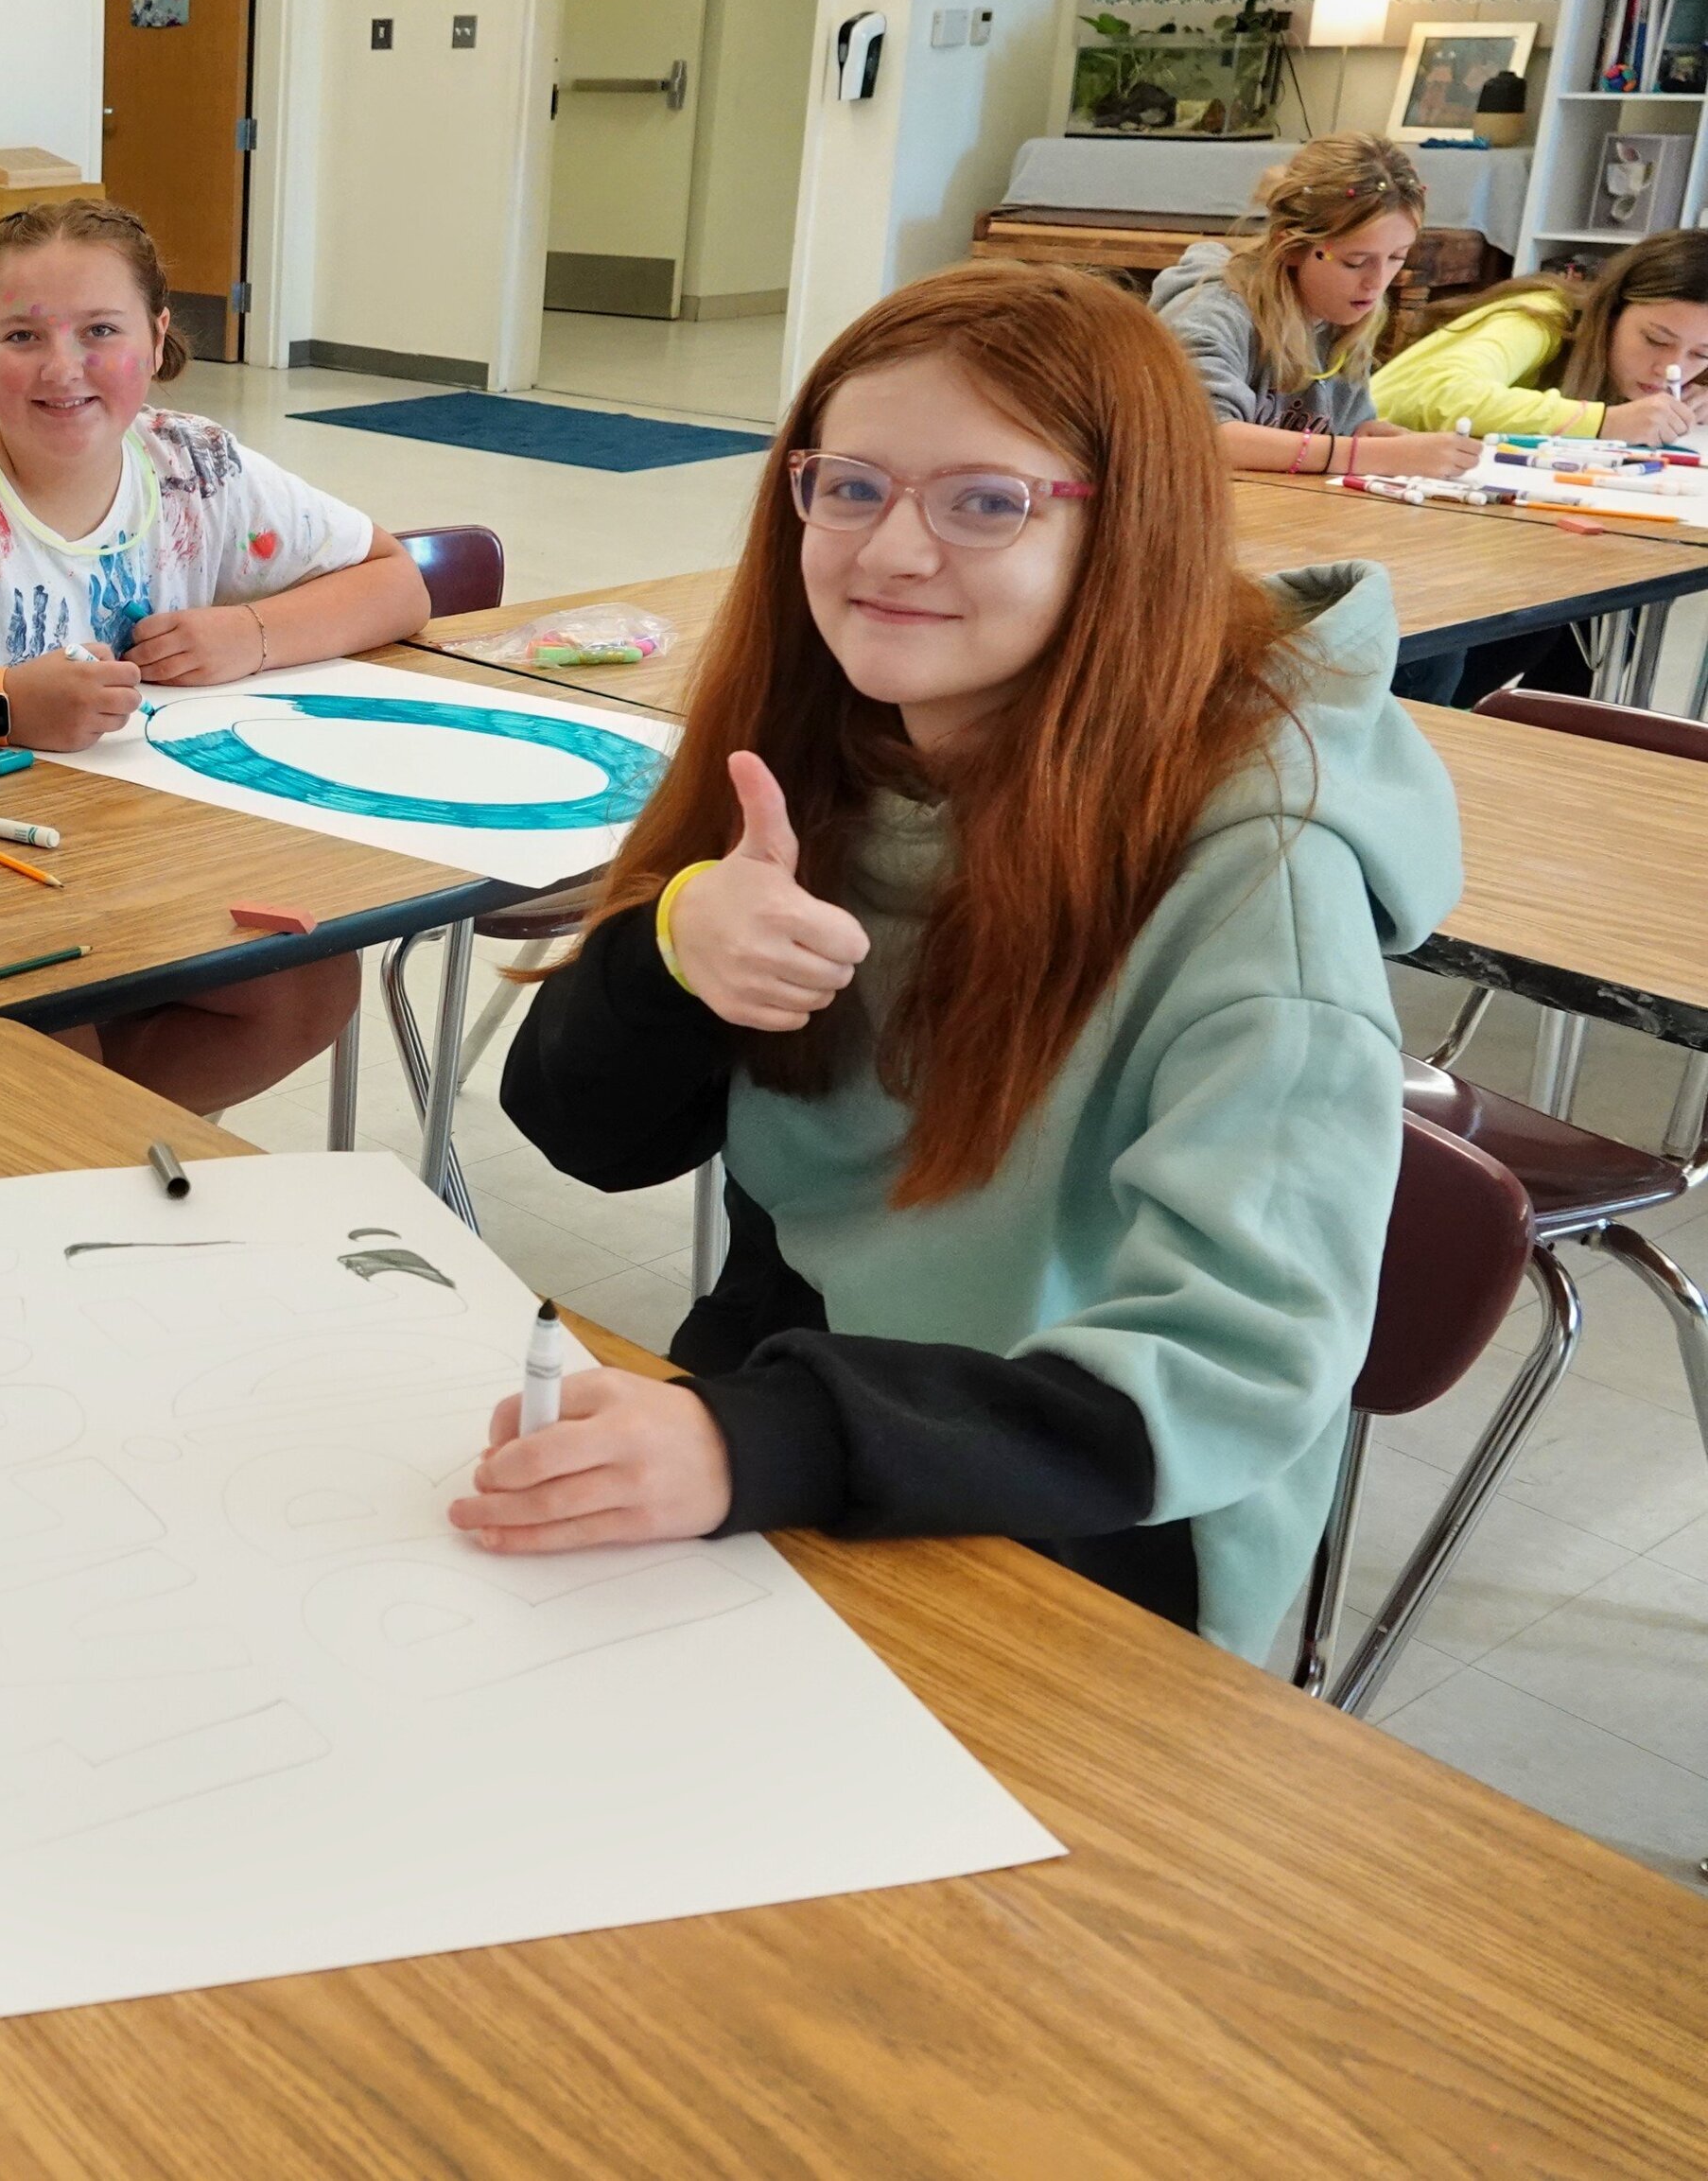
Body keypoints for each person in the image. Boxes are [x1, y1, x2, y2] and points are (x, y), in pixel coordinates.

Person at [469, 262, 1460, 1666]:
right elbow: (582, 1134)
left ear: (1126, 531)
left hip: (1090, 1484)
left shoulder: (1261, 871)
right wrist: (672, 945)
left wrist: (763, 1438)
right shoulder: (829, 743)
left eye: (984, 501)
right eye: (849, 486)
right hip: (825, 1386)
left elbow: (1235, 1364)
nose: (888, 551)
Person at [0, 198, 433, 1112]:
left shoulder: (192, 462)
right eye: (22, 336)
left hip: (140, 851)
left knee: (303, 984)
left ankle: (78, 1149)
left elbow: (395, 580)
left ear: (157, 337)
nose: (62, 370)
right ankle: (65, 1143)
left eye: (101, 330)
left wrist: (249, 634)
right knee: (53, 1030)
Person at [1147, 131, 1484, 480]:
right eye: (1355, 261)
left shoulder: (1341, 316)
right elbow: (1200, 437)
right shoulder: (1213, 310)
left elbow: (1340, 434)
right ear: (1291, 247)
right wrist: (1361, 455)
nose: (1377, 282)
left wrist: (1366, 438)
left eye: (1397, 257)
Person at [1372, 229, 1708, 445]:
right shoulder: (1540, 316)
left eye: (1701, 354)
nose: (1671, 370)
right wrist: (1603, 421)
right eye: (1656, 340)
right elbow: (1442, 394)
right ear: (1611, 310)